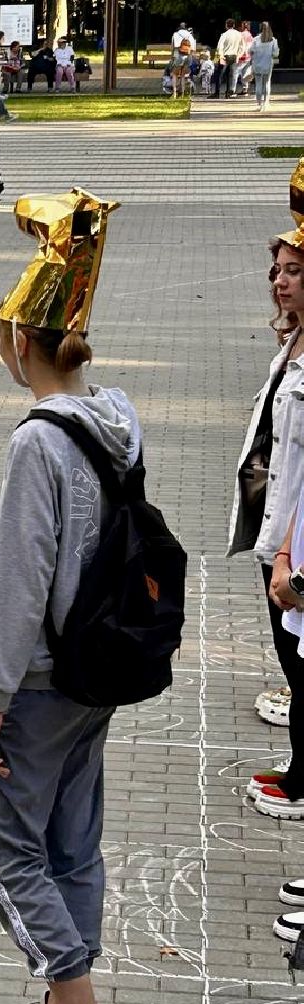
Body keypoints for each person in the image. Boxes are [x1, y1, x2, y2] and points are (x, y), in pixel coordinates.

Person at [0, 188, 133, 1004]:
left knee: (6, 851)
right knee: (73, 842)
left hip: (37, 680)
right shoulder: (118, 420)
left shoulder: (38, 442)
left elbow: (18, 584)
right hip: (96, 670)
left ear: (18, 342)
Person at [232, 177, 304, 823]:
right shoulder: (293, 342)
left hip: (296, 536)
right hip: (274, 525)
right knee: (291, 649)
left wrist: (287, 551)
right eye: (277, 271)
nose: (280, 282)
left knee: (302, 651)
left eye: (294, 271)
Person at [251, 24, 280, 111]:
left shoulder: (256, 39)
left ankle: (259, 104)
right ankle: (266, 103)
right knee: (267, 83)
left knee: (258, 84)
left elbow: (251, 50)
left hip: (257, 64)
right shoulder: (273, 40)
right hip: (268, 64)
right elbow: (276, 54)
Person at [214, 18, 243, 98]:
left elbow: (219, 47)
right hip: (234, 56)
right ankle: (228, 93)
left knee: (219, 74)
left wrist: (219, 57)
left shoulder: (224, 34)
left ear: (226, 25)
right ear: (233, 25)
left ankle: (217, 93)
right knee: (230, 75)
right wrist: (239, 55)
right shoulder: (239, 34)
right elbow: (242, 46)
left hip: (225, 56)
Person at [169, 24, 194, 99]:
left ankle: (174, 93)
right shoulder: (190, 35)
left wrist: (172, 57)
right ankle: (182, 93)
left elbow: (173, 47)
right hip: (188, 55)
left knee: (174, 74)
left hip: (178, 55)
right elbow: (193, 48)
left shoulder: (175, 34)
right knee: (183, 75)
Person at [236, 20, 254, 96]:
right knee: (245, 73)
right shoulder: (250, 35)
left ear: (242, 26)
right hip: (248, 57)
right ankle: (245, 89)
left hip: (241, 56)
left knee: (235, 73)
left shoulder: (240, 34)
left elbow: (238, 45)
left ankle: (232, 89)